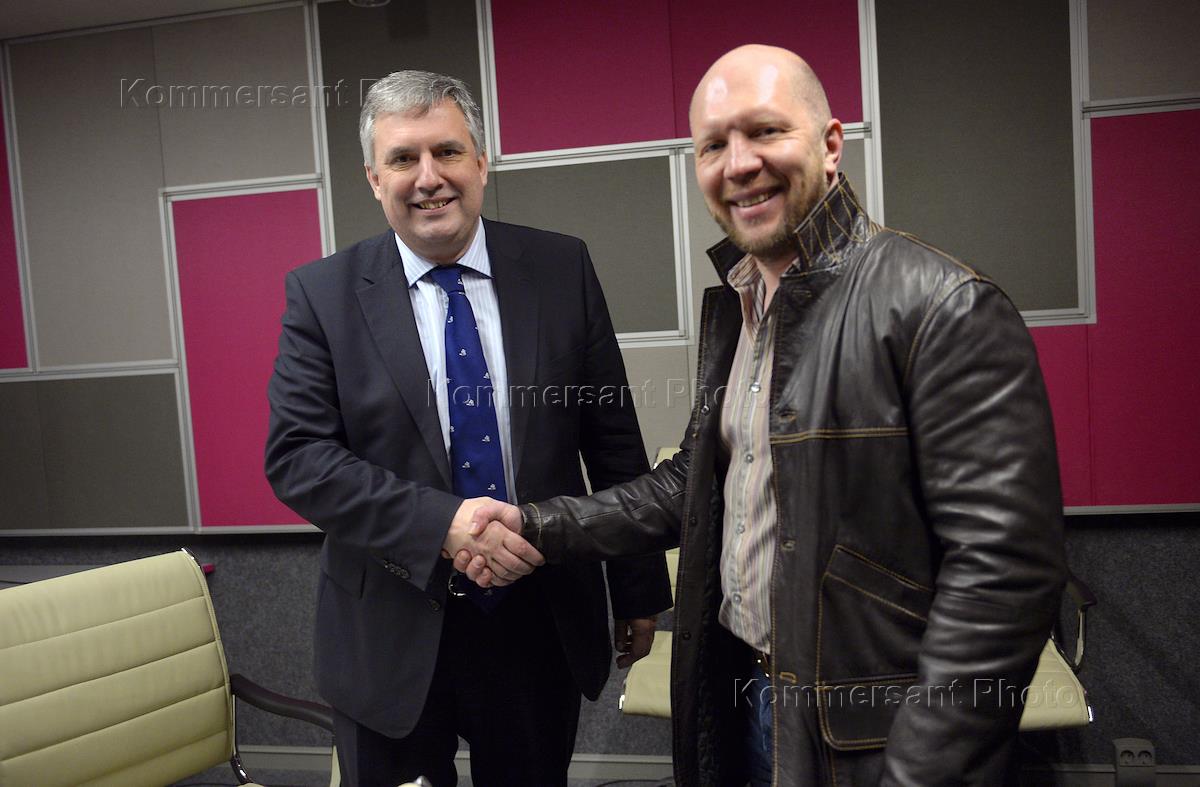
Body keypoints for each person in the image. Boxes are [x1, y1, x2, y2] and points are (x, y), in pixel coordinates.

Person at [463, 45, 1067, 786]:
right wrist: (536, 525)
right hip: (742, 695)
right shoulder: (743, 305)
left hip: (872, 737)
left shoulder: (943, 307)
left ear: (831, 144)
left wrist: (924, 770)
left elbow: (1004, 578)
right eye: (714, 145)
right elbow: (693, 484)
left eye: (766, 131)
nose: (739, 164)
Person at [265, 70, 671, 787]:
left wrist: (637, 587)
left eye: (447, 151)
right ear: (374, 178)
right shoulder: (323, 294)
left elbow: (612, 439)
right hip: (387, 625)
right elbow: (299, 457)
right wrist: (443, 525)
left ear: (481, 162)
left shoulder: (561, 266)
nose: (429, 177)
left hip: (536, 614)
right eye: (403, 158)